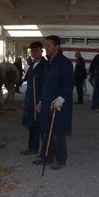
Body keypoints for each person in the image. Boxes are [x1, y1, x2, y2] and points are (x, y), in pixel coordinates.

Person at [33, 35, 74, 170]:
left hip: (59, 104)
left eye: (49, 45)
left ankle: (61, 159)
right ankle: (47, 157)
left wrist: (61, 98)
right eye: (45, 45)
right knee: (46, 130)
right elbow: (45, 85)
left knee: (57, 132)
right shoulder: (48, 63)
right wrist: (40, 101)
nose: (46, 48)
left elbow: (69, 83)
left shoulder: (65, 63)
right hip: (46, 103)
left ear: (57, 47)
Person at [21, 41, 47, 155]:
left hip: (39, 100)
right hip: (30, 99)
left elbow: (46, 85)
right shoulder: (32, 65)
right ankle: (33, 148)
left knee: (41, 126)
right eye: (32, 50)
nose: (33, 53)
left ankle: (45, 151)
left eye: (36, 50)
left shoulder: (45, 65)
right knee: (32, 125)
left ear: (41, 51)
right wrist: (26, 100)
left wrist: (41, 101)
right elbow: (29, 84)